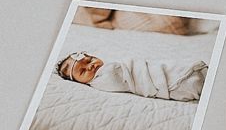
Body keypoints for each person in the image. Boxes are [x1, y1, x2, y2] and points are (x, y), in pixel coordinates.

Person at [55, 52, 207, 102]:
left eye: (89, 59)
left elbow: (135, 68)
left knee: (177, 70)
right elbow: (116, 78)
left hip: (157, 71)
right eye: (83, 71)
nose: (90, 65)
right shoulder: (102, 80)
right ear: (78, 82)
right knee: (191, 83)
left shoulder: (103, 71)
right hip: (159, 83)